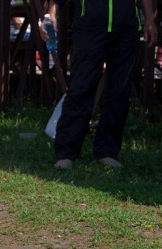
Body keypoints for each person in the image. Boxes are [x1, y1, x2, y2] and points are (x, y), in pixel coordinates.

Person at [40, 0, 158, 169]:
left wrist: (149, 19)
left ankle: (107, 152)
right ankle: (66, 153)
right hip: (89, 26)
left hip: (126, 28)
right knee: (81, 88)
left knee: (120, 92)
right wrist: (51, 15)